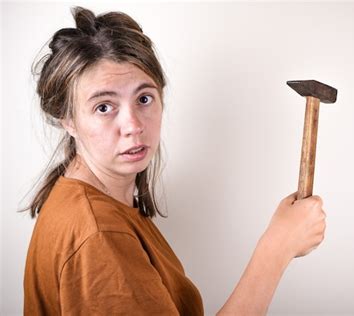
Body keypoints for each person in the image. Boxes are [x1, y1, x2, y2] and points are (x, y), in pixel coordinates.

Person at [23, 6, 327, 315]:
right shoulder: (99, 235)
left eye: (144, 99)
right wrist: (276, 249)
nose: (133, 125)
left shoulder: (92, 202)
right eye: (104, 107)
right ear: (67, 119)